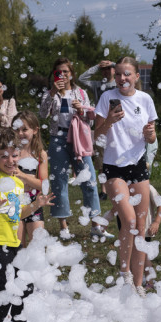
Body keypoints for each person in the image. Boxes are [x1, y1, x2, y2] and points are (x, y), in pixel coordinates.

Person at [0, 128, 53, 322]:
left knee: (25, 285)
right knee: (6, 285)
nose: (10, 160)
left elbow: (19, 213)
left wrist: (36, 204)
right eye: (3, 156)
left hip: (14, 243)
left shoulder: (19, 182)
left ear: (20, 155)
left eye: (14, 155)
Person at [94, 57, 159, 291]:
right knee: (129, 220)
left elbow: (151, 138)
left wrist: (150, 133)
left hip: (138, 165)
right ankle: (125, 273)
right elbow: (96, 136)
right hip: (114, 167)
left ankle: (139, 285)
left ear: (136, 76)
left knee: (141, 228)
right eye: (119, 74)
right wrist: (109, 120)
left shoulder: (145, 99)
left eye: (127, 74)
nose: (122, 79)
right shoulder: (107, 98)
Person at [38, 57, 103, 238]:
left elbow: (91, 118)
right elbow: (42, 114)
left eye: (66, 71)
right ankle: (63, 226)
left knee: (89, 180)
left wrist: (81, 110)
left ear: (72, 74)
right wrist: (52, 93)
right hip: (58, 138)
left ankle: (96, 224)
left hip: (78, 139)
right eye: (59, 72)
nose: (63, 75)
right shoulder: (50, 93)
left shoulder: (81, 93)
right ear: (54, 74)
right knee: (59, 182)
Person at [12, 110, 49, 247]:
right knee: (18, 247)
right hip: (15, 202)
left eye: (24, 129)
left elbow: (44, 186)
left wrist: (23, 176)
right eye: (16, 129)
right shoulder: (11, 153)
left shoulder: (40, 154)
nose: (20, 133)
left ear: (35, 130)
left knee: (37, 248)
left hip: (34, 203)